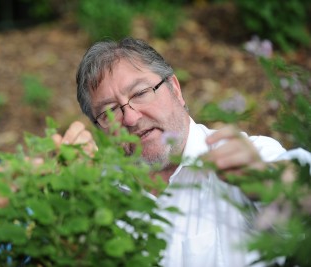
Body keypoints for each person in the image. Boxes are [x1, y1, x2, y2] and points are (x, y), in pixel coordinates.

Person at [74, 37, 311, 267]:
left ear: (175, 89)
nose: (131, 118)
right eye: (109, 111)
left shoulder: (247, 160)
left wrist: (265, 182)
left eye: (140, 93)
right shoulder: (97, 192)